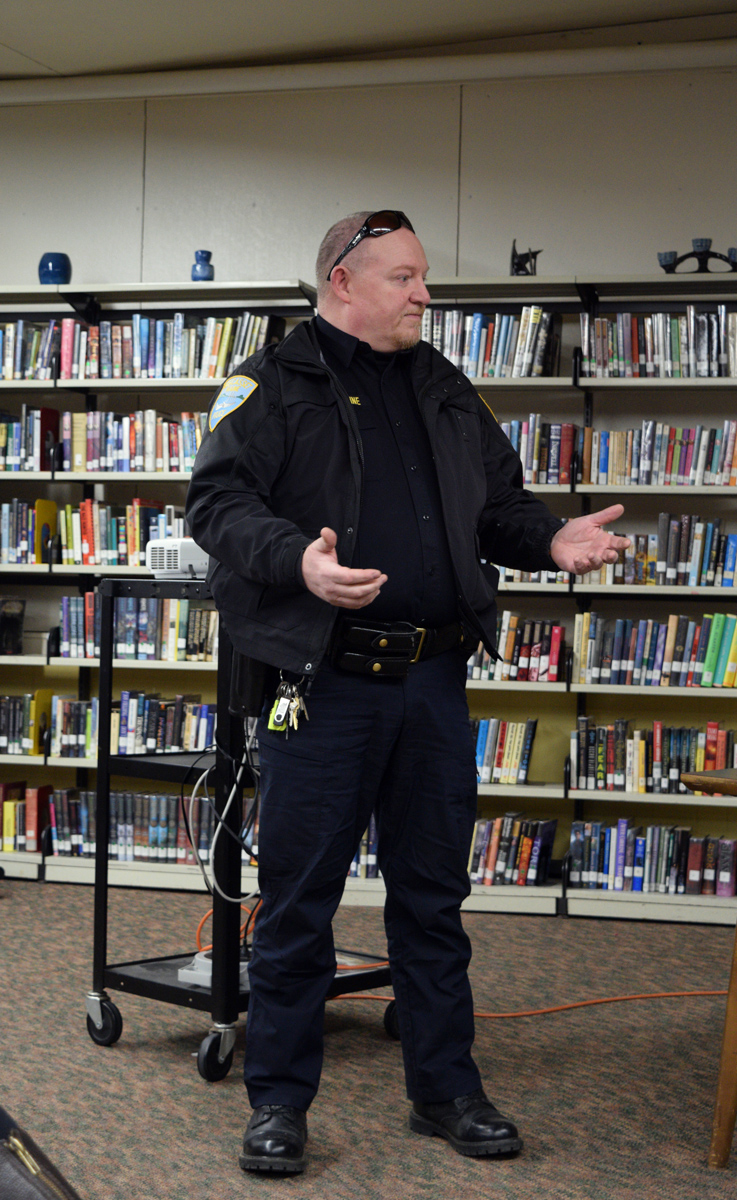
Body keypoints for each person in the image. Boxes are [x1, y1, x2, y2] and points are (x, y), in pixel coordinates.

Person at [185, 210, 628, 1175]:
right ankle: (279, 1104)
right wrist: (298, 561)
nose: (425, 294)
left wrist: (548, 540)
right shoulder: (267, 383)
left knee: (433, 898)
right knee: (300, 903)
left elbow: (498, 505)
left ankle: (446, 1091)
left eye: (423, 277)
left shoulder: (443, 385)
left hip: (431, 683)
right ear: (343, 281)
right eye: (405, 278)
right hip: (325, 685)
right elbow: (215, 504)